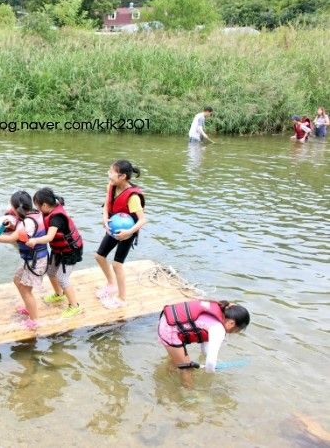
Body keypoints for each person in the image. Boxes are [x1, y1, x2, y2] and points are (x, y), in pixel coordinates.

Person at [0, 191, 49, 330]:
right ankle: (29, 308)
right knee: (17, 280)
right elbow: (20, 231)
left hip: (36, 261)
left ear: (14, 207)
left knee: (26, 290)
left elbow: (12, 238)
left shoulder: (25, 223)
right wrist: (11, 225)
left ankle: (34, 320)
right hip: (32, 259)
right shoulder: (34, 214)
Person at [158, 299, 250, 384]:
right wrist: (210, 376)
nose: (234, 333)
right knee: (186, 368)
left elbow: (205, 348)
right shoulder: (219, 330)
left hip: (166, 320)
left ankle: (167, 375)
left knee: (178, 360)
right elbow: (210, 363)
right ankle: (189, 396)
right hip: (169, 330)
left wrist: (210, 361)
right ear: (231, 324)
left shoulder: (219, 310)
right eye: (236, 330)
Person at [95, 160, 147, 309]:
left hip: (128, 232)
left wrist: (128, 232)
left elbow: (143, 220)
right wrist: (105, 220)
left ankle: (122, 299)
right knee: (99, 256)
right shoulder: (111, 187)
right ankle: (111, 284)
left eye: (112, 172)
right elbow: (106, 206)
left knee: (117, 264)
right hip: (113, 228)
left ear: (123, 176)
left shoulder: (133, 197)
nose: (109, 174)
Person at [26, 188, 84, 318]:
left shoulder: (56, 218)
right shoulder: (49, 211)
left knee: (62, 278)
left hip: (70, 252)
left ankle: (75, 306)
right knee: (51, 272)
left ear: (45, 205)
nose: (37, 208)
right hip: (58, 250)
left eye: (37, 205)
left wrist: (35, 240)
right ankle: (59, 294)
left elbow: (49, 237)